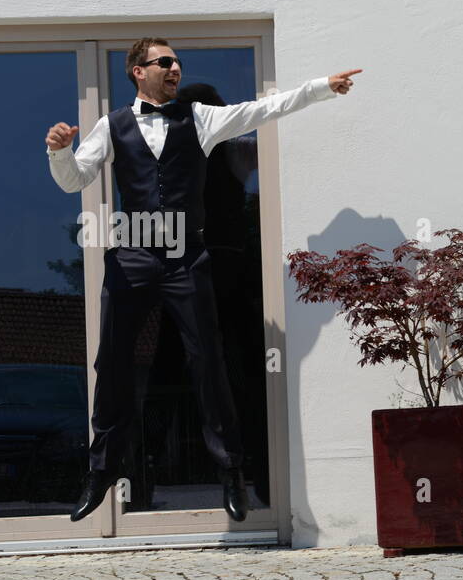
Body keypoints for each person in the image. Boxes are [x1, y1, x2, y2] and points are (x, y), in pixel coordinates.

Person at [45, 37, 361, 522]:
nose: (175, 69)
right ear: (138, 71)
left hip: (185, 257)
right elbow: (73, 181)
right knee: (111, 361)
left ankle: (230, 470)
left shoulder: (200, 119)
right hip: (132, 254)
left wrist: (321, 87)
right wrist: (60, 153)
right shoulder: (113, 126)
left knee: (208, 361)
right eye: (165, 62)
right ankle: (102, 470)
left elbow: (265, 108)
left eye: (177, 63)